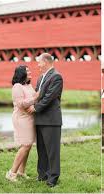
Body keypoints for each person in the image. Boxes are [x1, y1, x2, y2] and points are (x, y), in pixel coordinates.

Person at [27, 53, 63, 187]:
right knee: (41, 149)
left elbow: (49, 97)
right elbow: (37, 94)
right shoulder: (41, 77)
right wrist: (30, 103)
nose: (38, 65)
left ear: (46, 61)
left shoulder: (56, 77)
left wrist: (35, 108)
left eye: (39, 62)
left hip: (51, 120)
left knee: (52, 150)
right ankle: (42, 175)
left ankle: (53, 177)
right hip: (40, 119)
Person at [6, 65, 39, 182]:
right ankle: (12, 173)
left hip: (30, 118)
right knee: (25, 145)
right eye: (27, 70)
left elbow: (35, 99)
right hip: (22, 118)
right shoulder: (17, 86)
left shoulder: (28, 86)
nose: (30, 72)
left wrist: (35, 102)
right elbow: (20, 104)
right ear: (21, 73)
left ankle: (21, 171)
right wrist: (35, 99)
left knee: (28, 145)